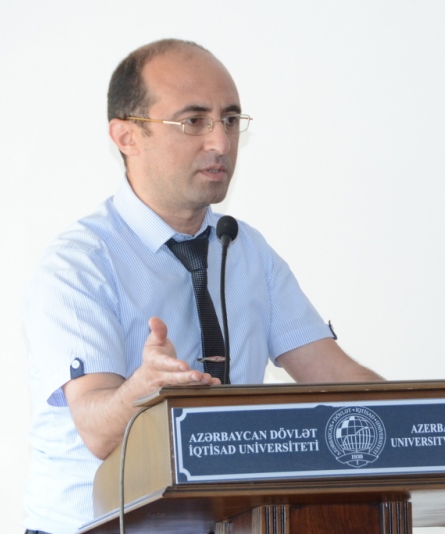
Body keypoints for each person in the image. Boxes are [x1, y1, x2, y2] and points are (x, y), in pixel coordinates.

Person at [21, 38, 382, 534]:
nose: (221, 143)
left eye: (230, 120)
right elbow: (98, 431)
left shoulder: (246, 249)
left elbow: (339, 379)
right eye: (194, 121)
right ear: (127, 136)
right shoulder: (80, 265)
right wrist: (143, 390)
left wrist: (432, 425)